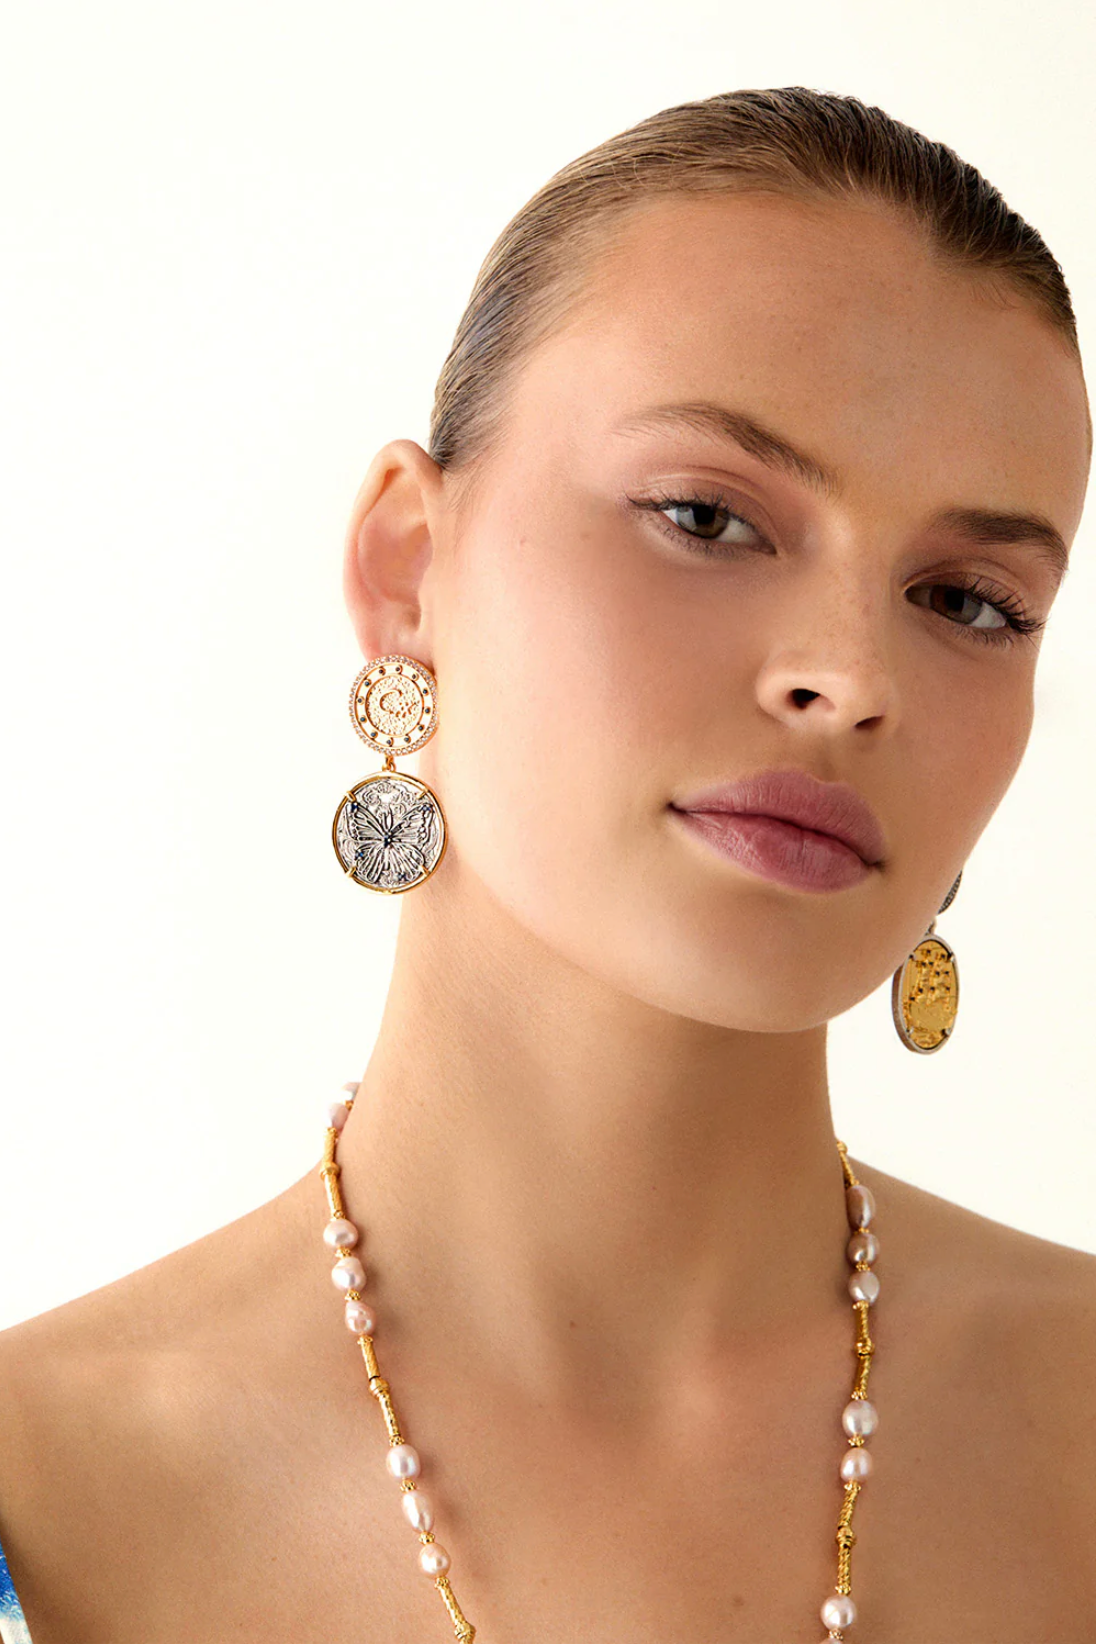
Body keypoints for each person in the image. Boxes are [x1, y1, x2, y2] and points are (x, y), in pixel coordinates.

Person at [0, 84, 1093, 1644]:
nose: (853, 677)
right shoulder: (43, 1501)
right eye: (708, 516)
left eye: (970, 601)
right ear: (408, 568)